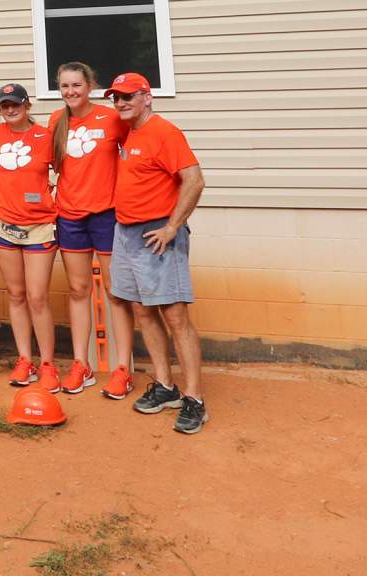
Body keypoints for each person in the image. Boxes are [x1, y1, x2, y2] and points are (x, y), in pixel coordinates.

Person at [104, 72, 208, 434]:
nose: (121, 103)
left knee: (175, 315)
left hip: (157, 232)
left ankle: (194, 398)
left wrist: (172, 227)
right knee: (141, 310)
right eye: (116, 97)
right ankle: (166, 387)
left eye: (129, 96)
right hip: (126, 232)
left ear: (147, 97)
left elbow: (194, 179)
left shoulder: (165, 132)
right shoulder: (127, 131)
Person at [47, 62, 134, 396]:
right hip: (69, 215)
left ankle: (122, 367)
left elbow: (132, 155)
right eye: (65, 86)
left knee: (116, 291)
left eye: (77, 86)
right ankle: (81, 364)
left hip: (107, 214)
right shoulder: (57, 120)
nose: (71, 92)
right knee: (78, 289)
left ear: (90, 86)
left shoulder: (111, 118)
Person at [0, 83, 60, 392]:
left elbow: (67, 171)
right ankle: (24, 359)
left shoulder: (46, 135)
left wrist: (53, 195)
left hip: (39, 224)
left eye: (15, 103)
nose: (10, 109)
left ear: (27, 105)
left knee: (38, 296)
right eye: (4, 105)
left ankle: (47, 363)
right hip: (3, 221)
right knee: (15, 294)